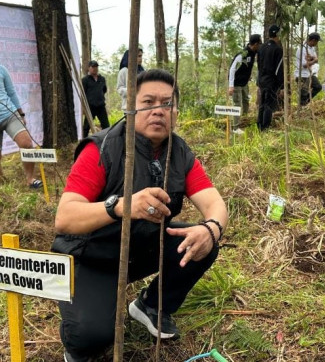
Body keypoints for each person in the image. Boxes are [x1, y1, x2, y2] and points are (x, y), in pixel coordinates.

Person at [52, 69, 228, 362]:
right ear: (130, 108)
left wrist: (210, 229)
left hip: (141, 249)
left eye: (167, 103)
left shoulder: (180, 153)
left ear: (176, 111)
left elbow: (215, 203)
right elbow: (65, 218)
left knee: (202, 244)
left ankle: (151, 306)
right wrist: (120, 206)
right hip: (89, 256)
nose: (158, 111)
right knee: (91, 336)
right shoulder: (103, 148)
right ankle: (81, 337)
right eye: (148, 103)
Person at [0, 64, 42, 188]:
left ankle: (30, 179)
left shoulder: (2, 69)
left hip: (10, 114)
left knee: (26, 144)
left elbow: (11, 93)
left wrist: (21, 114)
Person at [228, 34, 262, 134]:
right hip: (236, 83)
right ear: (255, 44)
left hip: (244, 83)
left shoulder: (253, 53)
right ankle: (235, 127)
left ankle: (244, 119)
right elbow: (232, 69)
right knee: (237, 103)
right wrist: (231, 85)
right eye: (259, 44)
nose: (260, 46)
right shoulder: (242, 54)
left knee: (246, 100)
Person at [257, 25, 284, 130]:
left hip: (262, 81)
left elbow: (259, 66)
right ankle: (265, 128)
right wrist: (281, 85)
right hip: (271, 82)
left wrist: (259, 81)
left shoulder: (261, 48)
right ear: (277, 34)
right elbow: (279, 69)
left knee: (262, 104)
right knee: (269, 105)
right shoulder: (278, 49)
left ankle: (259, 125)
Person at [82, 60, 110, 138]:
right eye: (93, 67)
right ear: (89, 68)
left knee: (106, 125)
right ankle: (83, 140)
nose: (95, 68)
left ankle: (107, 140)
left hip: (101, 105)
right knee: (86, 126)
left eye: (96, 67)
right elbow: (83, 93)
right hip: (90, 106)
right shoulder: (85, 80)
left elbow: (104, 90)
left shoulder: (102, 79)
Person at [294, 32, 323, 105]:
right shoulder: (302, 49)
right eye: (317, 41)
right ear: (313, 40)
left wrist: (312, 59)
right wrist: (313, 60)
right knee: (303, 93)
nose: (317, 43)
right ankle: (302, 107)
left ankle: (305, 103)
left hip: (310, 73)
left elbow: (316, 58)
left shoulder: (312, 48)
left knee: (318, 87)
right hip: (302, 75)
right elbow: (304, 65)